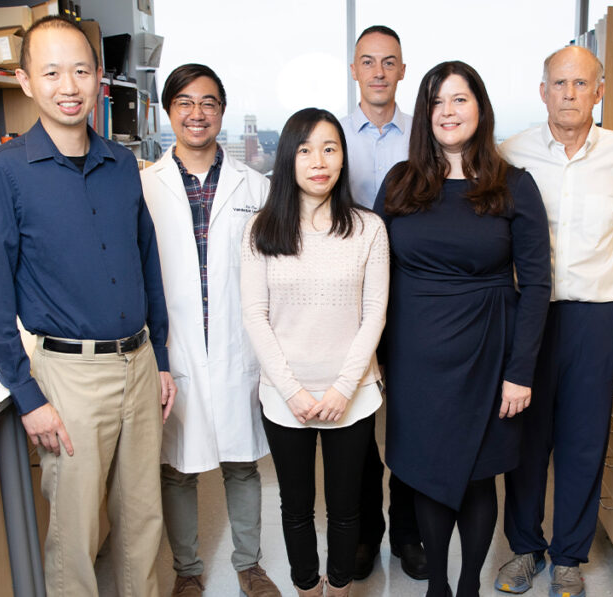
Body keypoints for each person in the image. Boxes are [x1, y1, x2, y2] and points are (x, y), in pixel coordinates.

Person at [0, 15, 176, 596]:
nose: (69, 85)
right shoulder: (4, 173)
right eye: (52, 71)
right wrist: (28, 397)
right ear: (25, 81)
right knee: (76, 535)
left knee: (141, 522)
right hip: (69, 376)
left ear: (99, 78)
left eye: (81, 70)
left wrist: (159, 356)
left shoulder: (120, 166)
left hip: (137, 365)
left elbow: (146, 265)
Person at [374, 61, 551, 597]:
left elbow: (538, 285)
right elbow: (372, 268)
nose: (447, 112)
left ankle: (469, 583)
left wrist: (520, 372)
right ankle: (439, 586)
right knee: (426, 470)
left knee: (478, 472)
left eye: (459, 100)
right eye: (436, 102)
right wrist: (373, 357)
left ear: (480, 108)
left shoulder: (513, 185)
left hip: (487, 353)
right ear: (425, 114)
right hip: (415, 357)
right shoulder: (401, 183)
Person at [496, 45, 613, 597]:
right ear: (543, 91)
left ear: (598, 92)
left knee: (583, 440)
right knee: (526, 438)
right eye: (559, 83)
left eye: (582, 84)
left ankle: (569, 556)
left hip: (594, 315)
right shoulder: (513, 153)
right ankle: (525, 549)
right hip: (529, 314)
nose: (570, 94)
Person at [140, 64, 279, 597]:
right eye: (185, 102)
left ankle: (249, 565)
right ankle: (188, 570)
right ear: (168, 110)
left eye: (209, 103)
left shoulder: (256, 186)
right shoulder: (144, 186)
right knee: (177, 466)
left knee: (242, 461)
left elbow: (273, 268)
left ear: (221, 111)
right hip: (173, 346)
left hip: (236, 344)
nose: (197, 113)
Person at [241, 108, 389, 597]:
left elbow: (375, 315)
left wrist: (344, 387)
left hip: (354, 394)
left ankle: (340, 588)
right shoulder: (261, 231)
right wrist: (292, 391)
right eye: (305, 150)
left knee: (347, 508)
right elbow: (255, 318)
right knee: (296, 506)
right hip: (286, 396)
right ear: (288, 159)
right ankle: (307, 587)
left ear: (343, 159)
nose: (318, 161)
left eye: (329, 148)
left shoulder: (368, 229)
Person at [338, 25, 426, 582]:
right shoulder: (334, 136)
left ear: (401, 69)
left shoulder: (426, 136)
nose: (377, 71)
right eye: (367, 61)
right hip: (350, 299)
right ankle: (367, 530)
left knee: (413, 419)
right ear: (354, 70)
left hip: (415, 295)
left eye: (387, 62)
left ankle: (409, 531)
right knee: (359, 419)